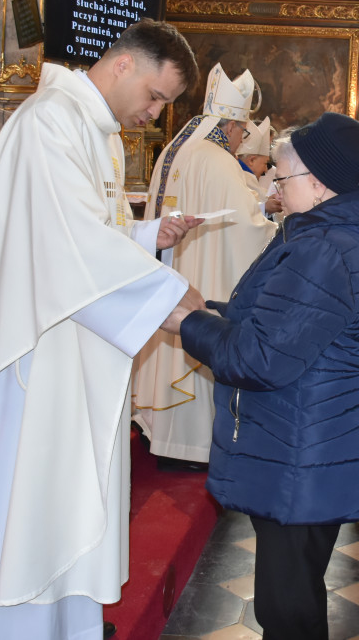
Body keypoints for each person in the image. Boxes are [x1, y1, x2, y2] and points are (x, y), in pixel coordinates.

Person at [0, 19, 203, 640]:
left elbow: (80, 233)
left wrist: (143, 237)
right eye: (156, 96)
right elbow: (66, 245)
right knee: (24, 494)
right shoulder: (49, 123)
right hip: (29, 353)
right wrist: (176, 299)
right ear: (121, 66)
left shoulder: (94, 131)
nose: (155, 112)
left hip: (71, 345)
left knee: (59, 491)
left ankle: (61, 622)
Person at [176, 113, 359, 639]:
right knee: (290, 594)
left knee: (287, 607)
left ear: (318, 183)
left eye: (282, 176)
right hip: (306, 442)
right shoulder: (324, 236)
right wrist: (205, 311)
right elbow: (279, 322)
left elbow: (260, 357)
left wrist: (189, 322)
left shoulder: (326, 249)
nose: (274, 186)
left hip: (304, 448)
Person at [133, 63, 278, 470]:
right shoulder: (217, 160)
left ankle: (161, 434)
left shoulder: (176, 149)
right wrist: (275, 234)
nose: (240, 139)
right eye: (241, 131)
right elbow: (245, 228)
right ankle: (190, 447)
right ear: (231, 127)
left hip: (171, 272)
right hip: (201, 278)